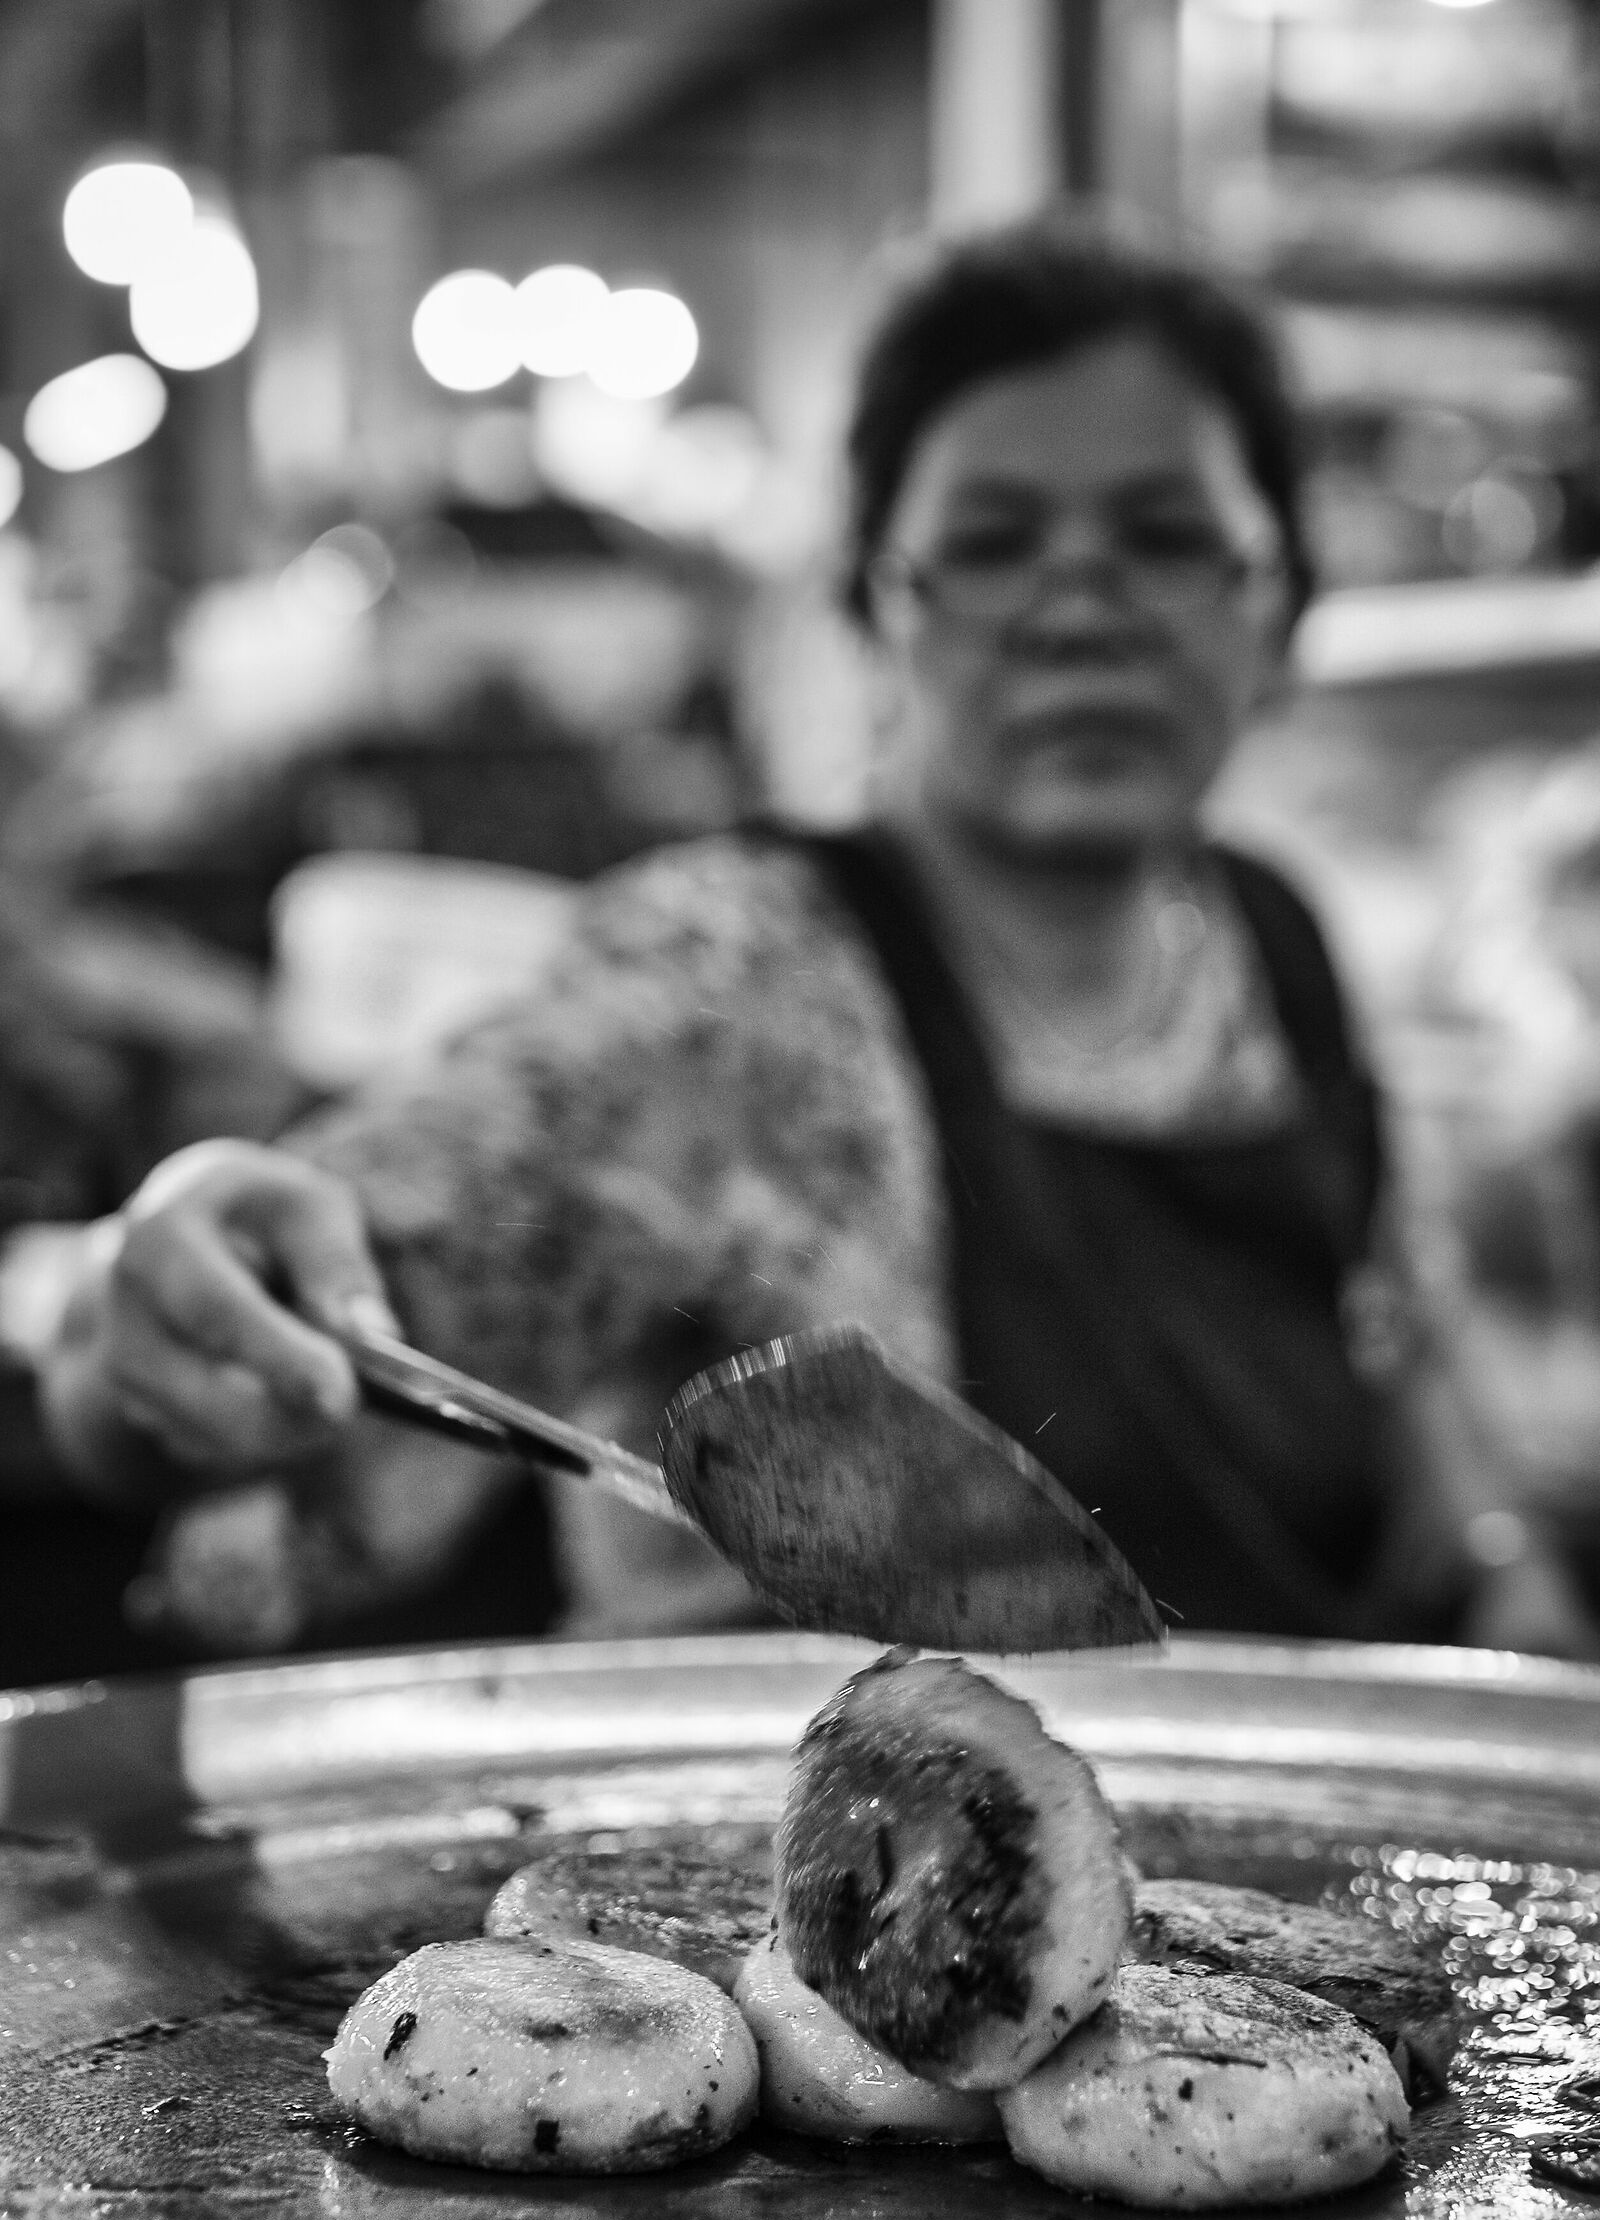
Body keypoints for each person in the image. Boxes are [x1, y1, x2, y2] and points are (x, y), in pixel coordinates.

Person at [39, 213, 1598, 1660]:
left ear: (1278, 608)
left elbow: (1394, 1341)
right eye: (991, 538)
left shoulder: (1270, 936)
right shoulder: (730, 981)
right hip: (781, 1913)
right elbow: (295, 1323)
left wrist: (1497, 1568)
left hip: (1268, 1906)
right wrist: (159, 1318)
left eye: (1166, 534)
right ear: (875, 607)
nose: (1078, 604)